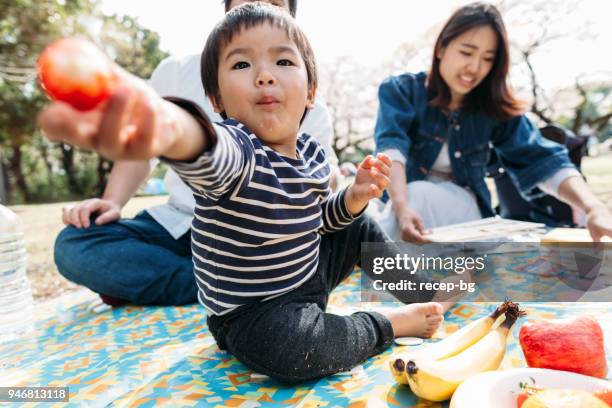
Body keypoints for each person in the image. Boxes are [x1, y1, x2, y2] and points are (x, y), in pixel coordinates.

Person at [39, 2, 448, 383]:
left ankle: (422, 291)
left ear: (310, 91)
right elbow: (206, 148)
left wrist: (354, 199)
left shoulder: (312, 153)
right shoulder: (238, 151)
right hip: (257, 315)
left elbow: (318, 220)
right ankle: (391, 322)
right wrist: (167, 123)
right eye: (241, 63)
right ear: (216, 100)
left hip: (306, 276)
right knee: (297, 352)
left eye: (283, 60)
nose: (264, 74)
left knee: (359, 225)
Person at [51, 0, 340, 307]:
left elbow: (323, 187)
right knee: (74, 243)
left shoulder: (308, 106)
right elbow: (145, 147)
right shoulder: (176, 71)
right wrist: (111, 202)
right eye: (240, 65)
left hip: (258, 242)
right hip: (178, 224)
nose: (258, 5)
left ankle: (153, 284)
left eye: (273, 3)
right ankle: (209, 285)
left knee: (343, 230)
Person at [374, 2, 612, 243]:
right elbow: (391, 151)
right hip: (402, 205)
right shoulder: (400, 91)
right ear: (441, 48)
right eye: (466, 52)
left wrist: (594, 208)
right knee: (403, 200)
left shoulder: (492, 107)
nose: (475, 68)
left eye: (488, 59)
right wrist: (402, 207)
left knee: (418, 197)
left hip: (461, 215)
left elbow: (542, 159)